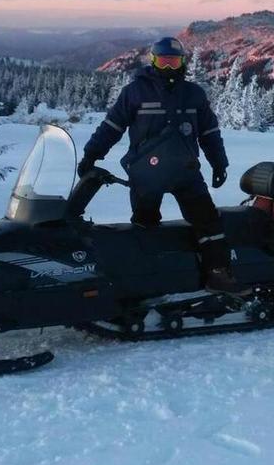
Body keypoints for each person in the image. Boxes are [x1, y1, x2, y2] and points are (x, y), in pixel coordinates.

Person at [78, 37, 249, 295]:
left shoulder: (194, 93)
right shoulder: (135, 91)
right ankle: (146, 280)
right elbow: (112, 126)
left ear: (182, 63)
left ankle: (218, 274)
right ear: (153, 61)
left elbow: (210, 132)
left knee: (208, 222)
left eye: (174, 62)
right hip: (147, 172)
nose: (169, 67)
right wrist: (92, 155)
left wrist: (218, 163)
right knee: (145, 226)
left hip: (186, 171)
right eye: (163, 62)